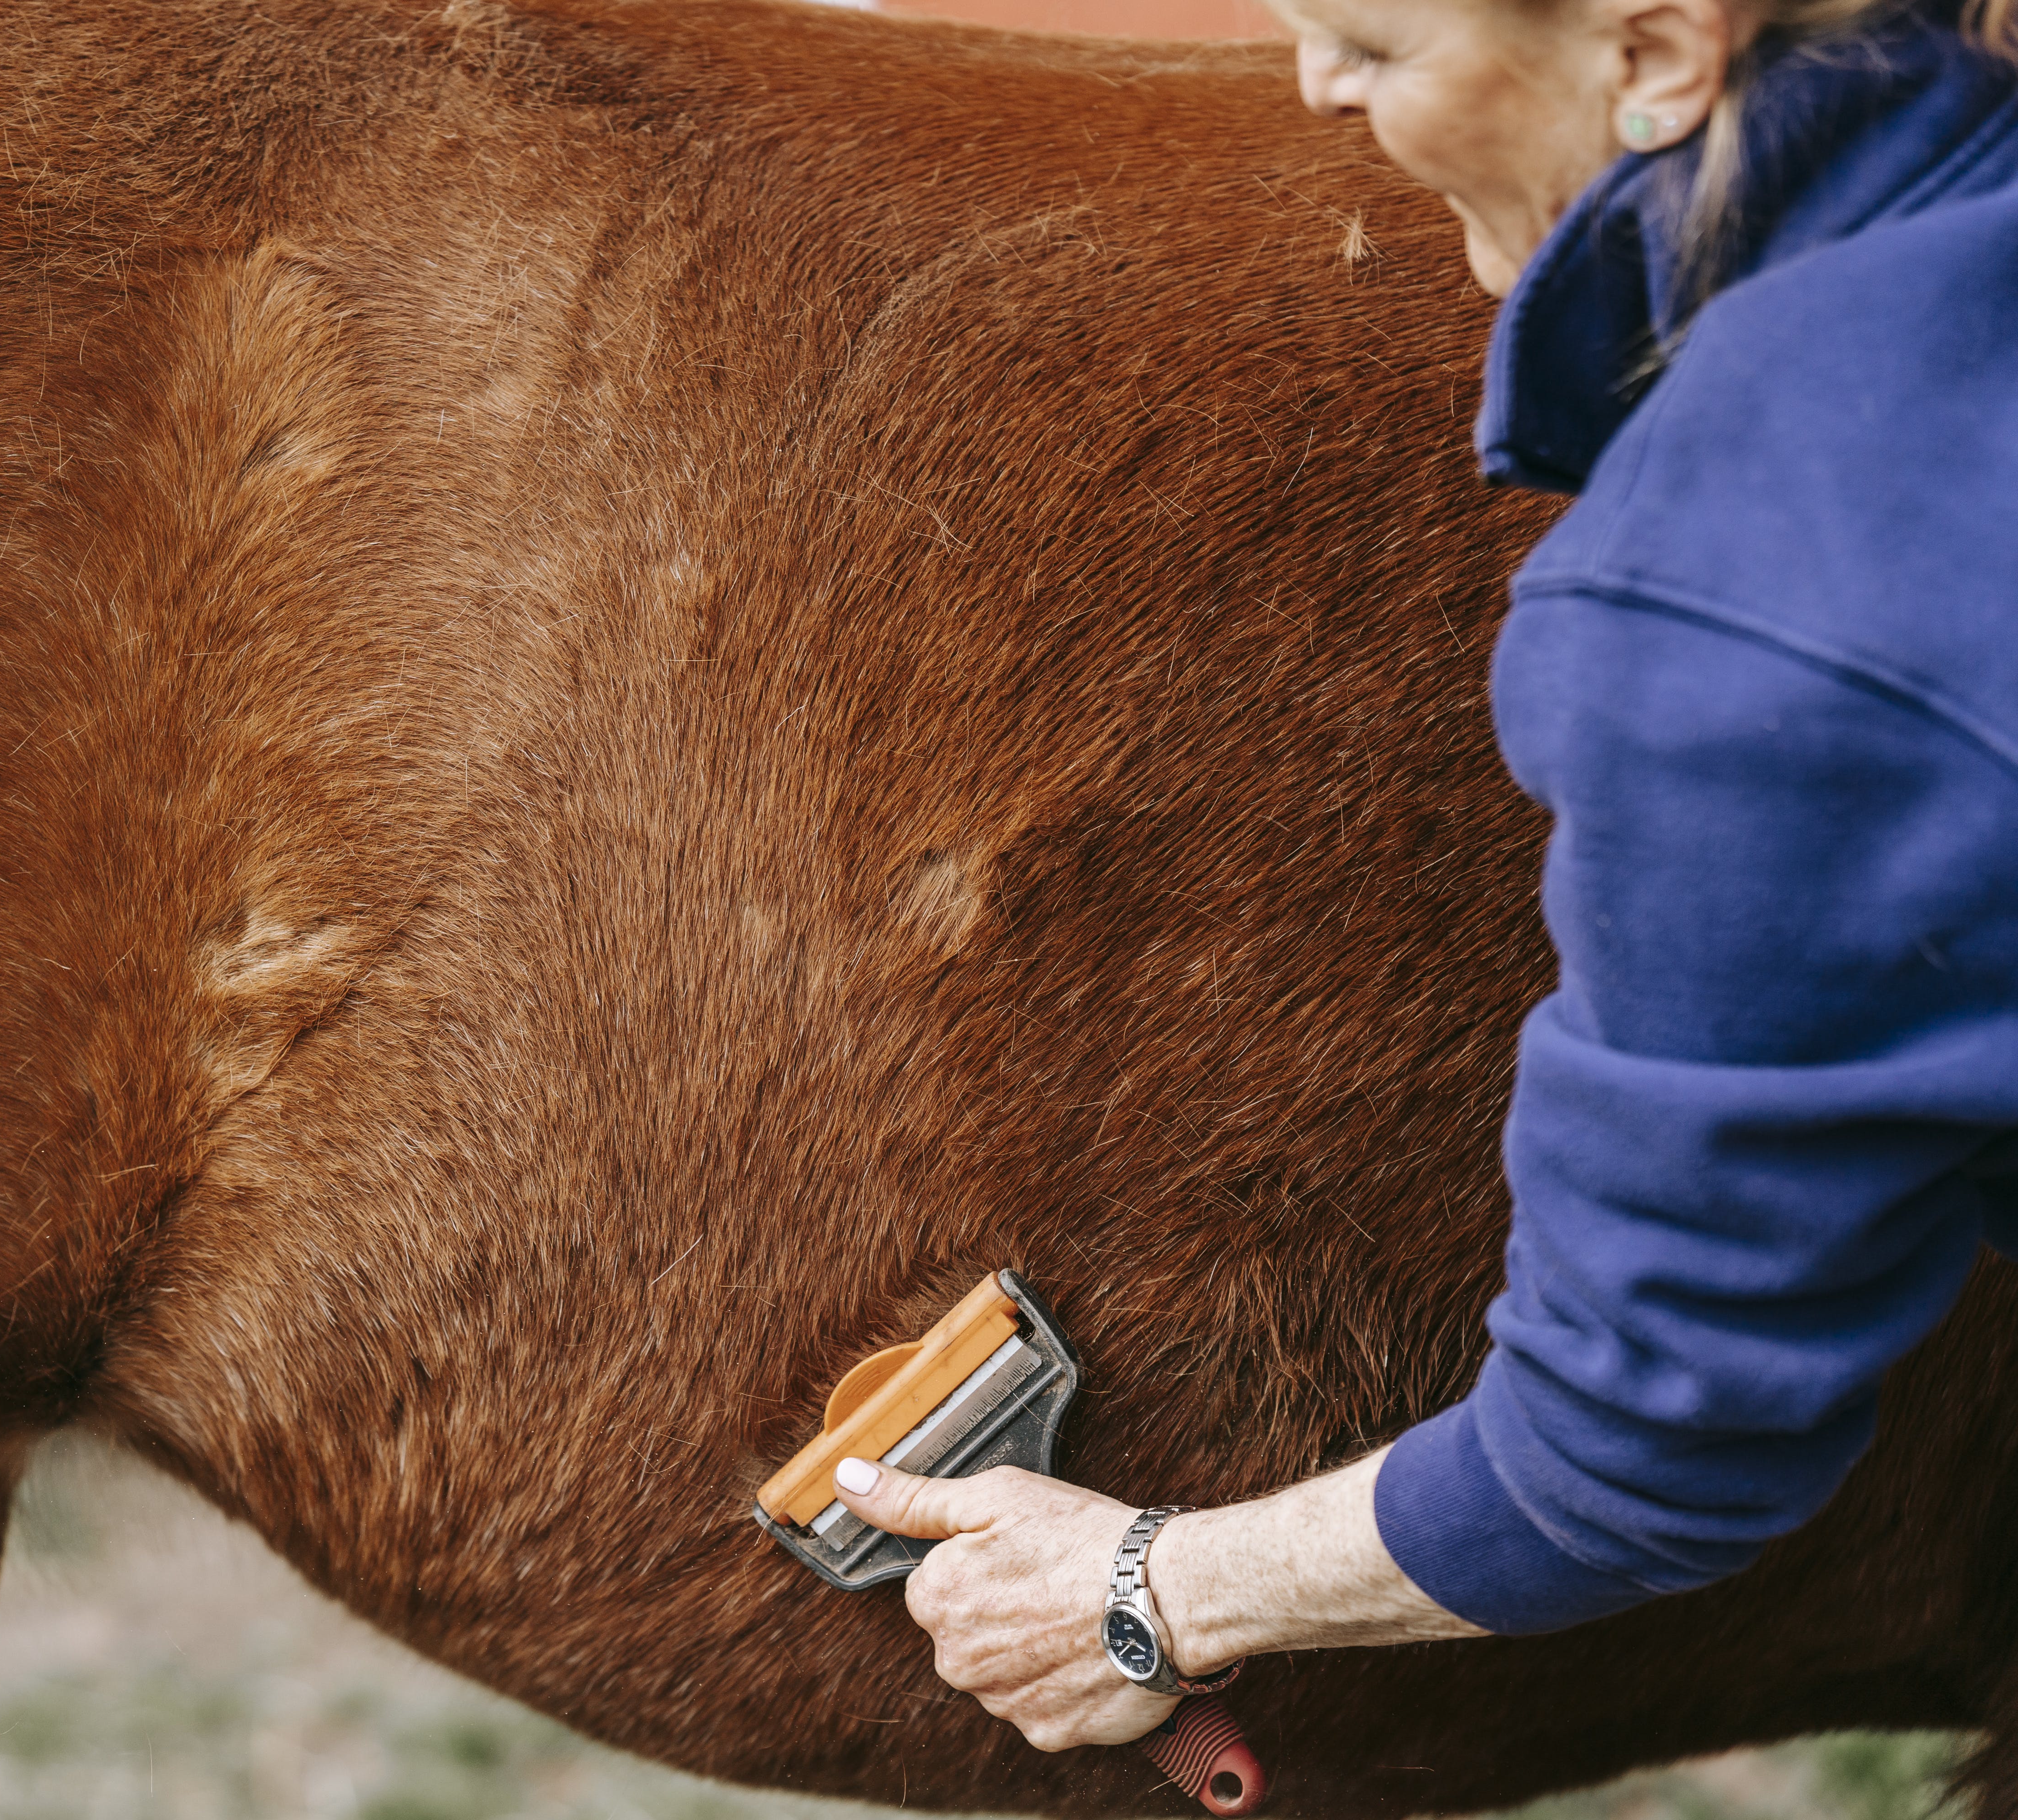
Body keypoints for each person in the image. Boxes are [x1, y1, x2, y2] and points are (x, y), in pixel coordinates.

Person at [829, 0, 2018, 1751]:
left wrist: (1154, 1591)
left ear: (1660, 54)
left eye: (1374, 49)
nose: (1313, 85)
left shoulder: (1739, 603)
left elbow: (1644, 1438)